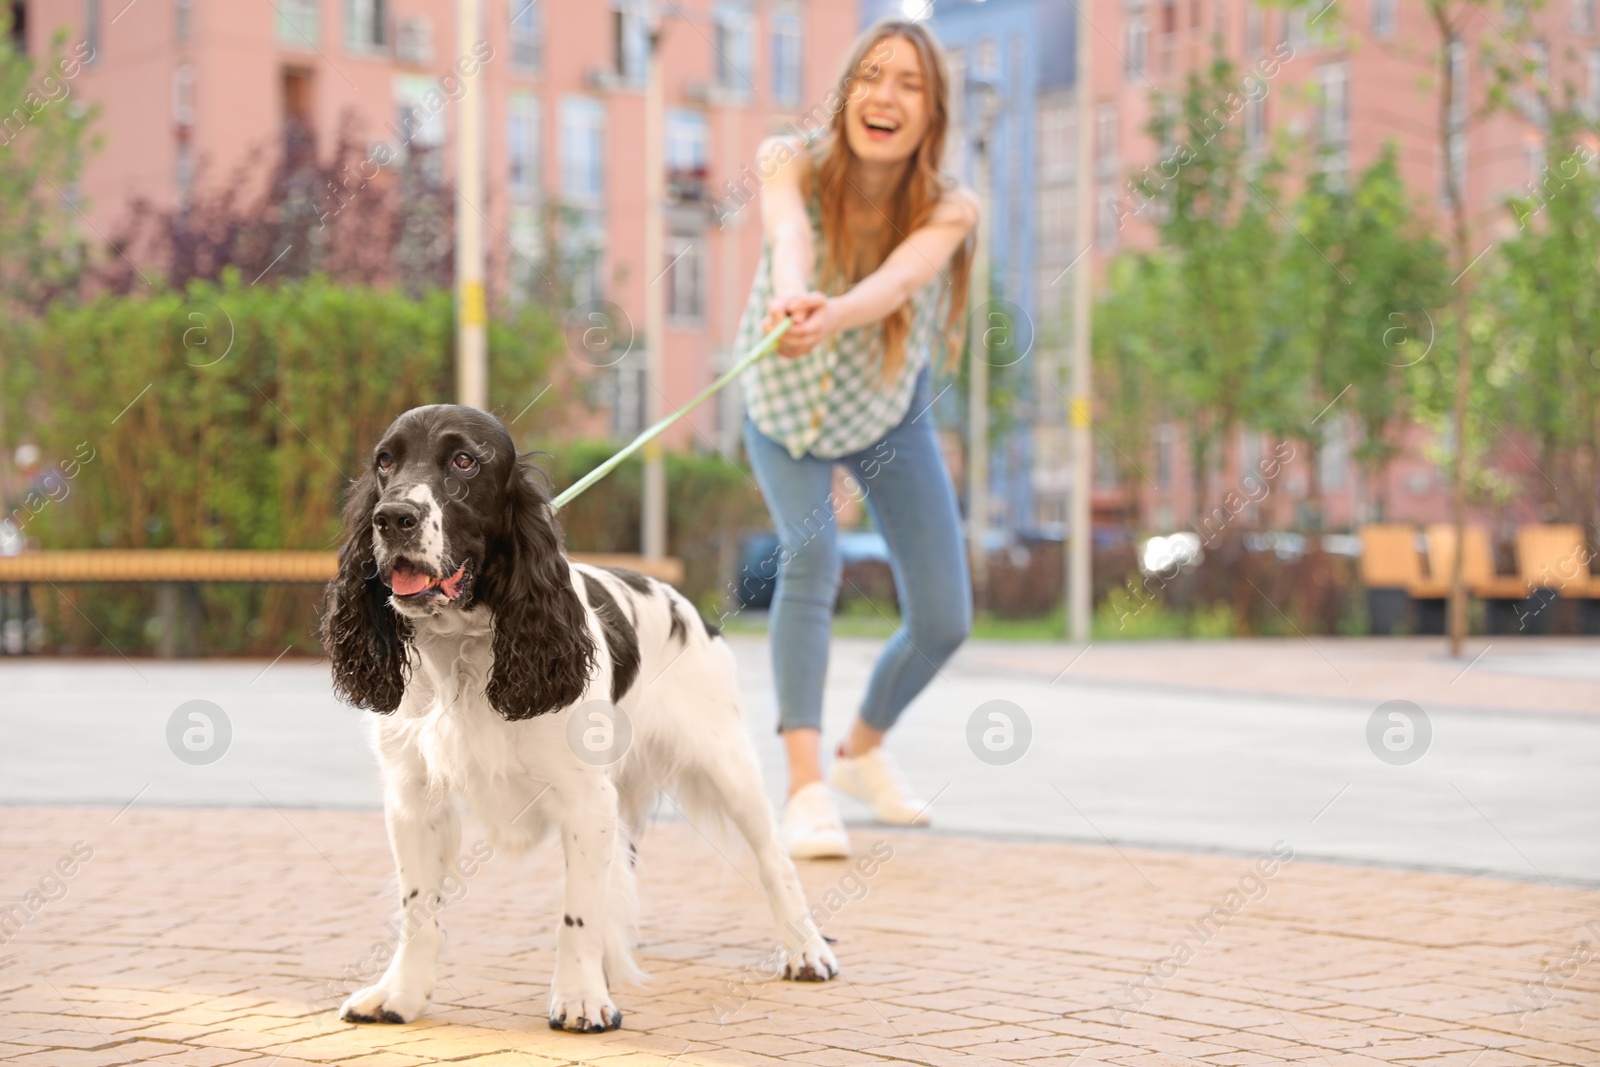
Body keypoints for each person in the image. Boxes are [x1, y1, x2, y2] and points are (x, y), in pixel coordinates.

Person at [733, 19, 979, 858]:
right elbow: (788, 234)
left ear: (932, 112)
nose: (887, 97)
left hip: (884, 413)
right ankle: (805, 785)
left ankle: (861, 751)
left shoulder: (950, 208)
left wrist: (833, 314)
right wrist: (796, 296)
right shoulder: (788, 158)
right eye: (873, 76)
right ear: (846, 94)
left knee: (946, 616)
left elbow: (900, 280)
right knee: (812, 561)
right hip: (782, 408)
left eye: (910, 83)